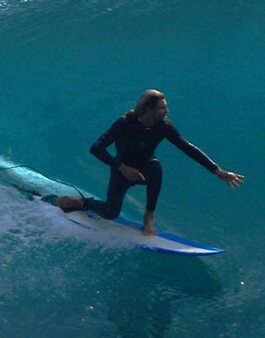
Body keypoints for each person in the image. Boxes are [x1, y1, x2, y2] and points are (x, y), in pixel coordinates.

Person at [53, 89, 244, 235]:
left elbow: (187, 148)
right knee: (111, 213)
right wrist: (121, 167)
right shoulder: (124, 124)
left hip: (145, 169)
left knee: (156, 168)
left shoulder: (164, 126)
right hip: (122, 170)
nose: (167, 111)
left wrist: (217, 171)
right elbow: (96, 148)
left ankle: (149, 216)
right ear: (148, 109)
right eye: (162, 108)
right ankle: (82, 202)